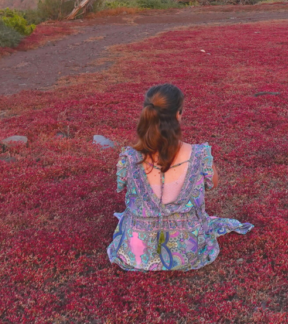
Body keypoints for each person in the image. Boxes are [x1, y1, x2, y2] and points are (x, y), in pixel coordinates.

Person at [107, 83, 252, 271]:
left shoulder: (129, 157)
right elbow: (213, 183)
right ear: (178, 114)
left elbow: (124, 186)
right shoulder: (199, 155)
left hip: (136, 253)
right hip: (187, 251)